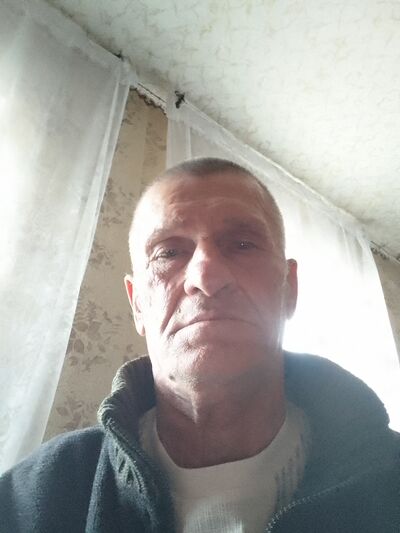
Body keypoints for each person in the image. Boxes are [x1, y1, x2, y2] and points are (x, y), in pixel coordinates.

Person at [0, 157, 399, 532]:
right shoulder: (34, 494)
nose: (206, 277)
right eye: (169, 252)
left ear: (289, 289)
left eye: (242, 244)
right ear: (138, 305)